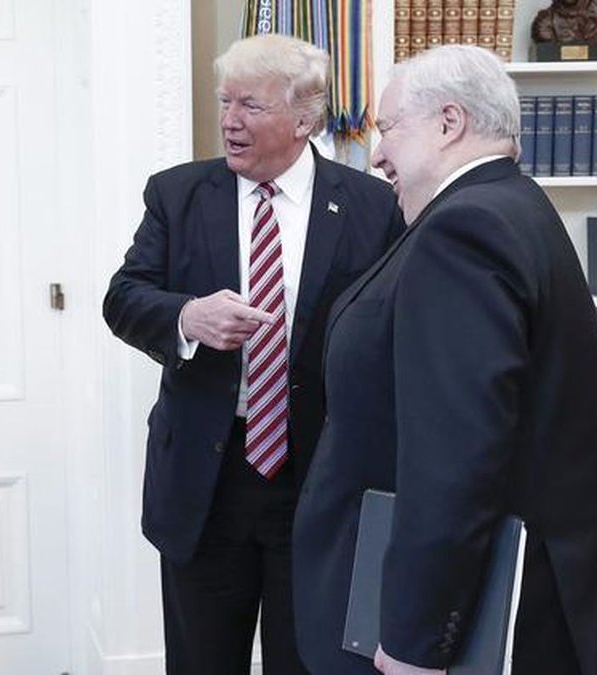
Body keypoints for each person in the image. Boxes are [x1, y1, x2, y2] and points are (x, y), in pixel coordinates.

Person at [291, 45, 597, 675]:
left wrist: (415, 641)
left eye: (388, 129)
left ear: (449, 122)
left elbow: (453, 457)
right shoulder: (511, 206)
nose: (377, 155)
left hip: (465, 630)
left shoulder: (463, 232)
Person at [104, 34, 403, 675]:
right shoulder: (177, 195)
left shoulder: (372, 205)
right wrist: (186, 316)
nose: (230, 121)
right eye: (225, 102)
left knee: (310, 661)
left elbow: (394, 336)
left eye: (251, 105)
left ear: (303, 119)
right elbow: (123, 299)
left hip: (319, 476)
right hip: (207, 482)